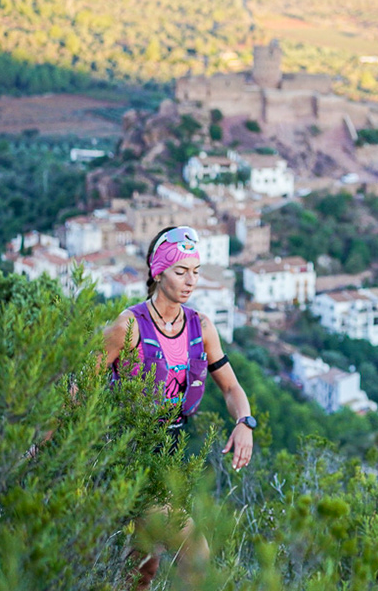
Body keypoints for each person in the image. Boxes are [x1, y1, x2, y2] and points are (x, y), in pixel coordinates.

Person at [101, 225, 257, 588]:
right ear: (158, 272)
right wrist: (44, 440)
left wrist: (244, 422)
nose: (190, 281)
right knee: (196, 552)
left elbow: (231, 387)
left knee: (141, 568)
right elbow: (79, 382)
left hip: (171, 454)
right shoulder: (128, 326)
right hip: (128, 453)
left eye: (196, 272)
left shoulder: (200, 327)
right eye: (181, 271)